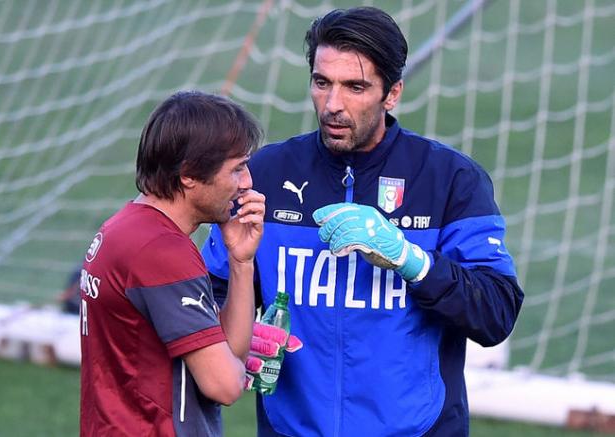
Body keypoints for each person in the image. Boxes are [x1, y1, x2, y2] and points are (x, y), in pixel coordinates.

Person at [201, 7, 524, 436]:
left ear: (392, 94)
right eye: (322, 83)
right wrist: (239, 332)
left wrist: (414, 263)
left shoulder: (450, 180)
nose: (333, 105)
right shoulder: (266, 174)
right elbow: (206, 296)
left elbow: (496, 314)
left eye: (355, 87)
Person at [79, 90, 266, 436]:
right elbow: (224, 385)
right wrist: (246, 368)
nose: (247, 183)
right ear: (189, 174)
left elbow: (230, 351)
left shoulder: (126, 227)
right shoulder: (162, 251)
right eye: (237, 169)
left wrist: (241, 262)